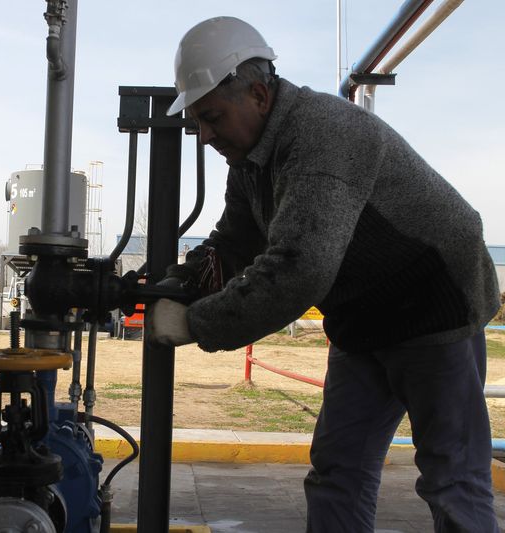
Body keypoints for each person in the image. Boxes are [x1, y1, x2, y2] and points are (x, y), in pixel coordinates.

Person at [149, 16, 501, 533]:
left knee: (451, 478)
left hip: (433, 307)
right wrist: (179, 283)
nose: (204, 136)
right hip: (362, 317)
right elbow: (235, 243)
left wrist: (196, 323)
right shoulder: (250, 158)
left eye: (212, 118)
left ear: (258, 95)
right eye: (198, 122)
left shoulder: (322, 134)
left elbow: (298, 268)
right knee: (338, 471)